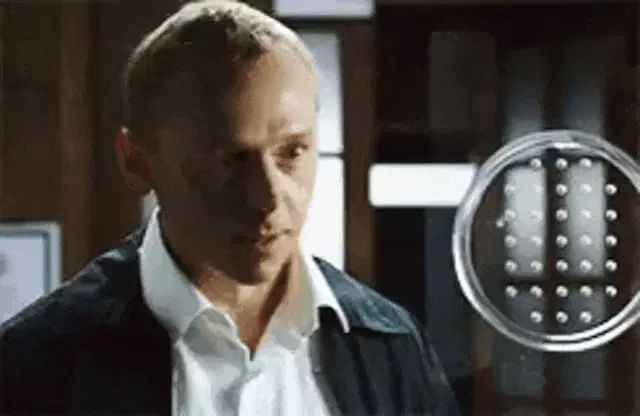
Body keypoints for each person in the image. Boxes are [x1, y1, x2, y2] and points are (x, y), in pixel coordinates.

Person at [0, 1, 460, 415]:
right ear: (137, 163)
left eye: (292, 152)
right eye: (228, 160)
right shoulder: (38, 365)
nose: (268, 198)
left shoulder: (393, 350)